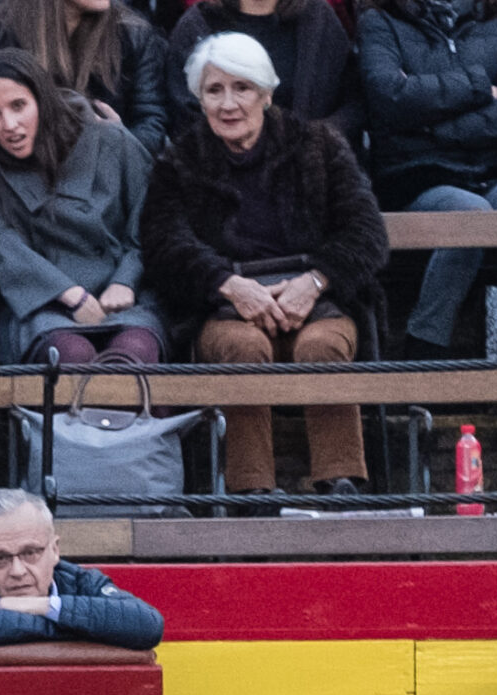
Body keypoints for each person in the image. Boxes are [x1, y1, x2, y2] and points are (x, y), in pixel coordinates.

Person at [142, 33, 387, 499]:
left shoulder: (318, 145)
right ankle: (253, 493)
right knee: (243, 348)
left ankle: (341, 486)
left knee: (321, 347)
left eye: (243, 88)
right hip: (224, 305)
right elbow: (163, 244)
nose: (228, 103)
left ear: (267, 94)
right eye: (214, 90)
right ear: (199, 99)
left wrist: (314, 282)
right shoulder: (179, 161)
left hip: (318, 298)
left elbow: (366, 232)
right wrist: (230, 285)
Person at [359, 0, 497, 357]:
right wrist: (480, 85)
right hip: (417, 173)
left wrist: (433, 127)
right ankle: (424, 343)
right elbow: (390, 97)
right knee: (469, 215)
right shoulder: (380, 21)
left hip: (496, 169)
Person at [0, 49, 165, 368]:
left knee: (133, 355)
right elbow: (2, 245)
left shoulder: (111, 139)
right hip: (43, 306)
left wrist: (126, 280)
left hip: (125, 299)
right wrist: (68, 294)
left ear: (42, 99)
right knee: (71, 357)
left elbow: (153, 219)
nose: (9, 124)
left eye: (19, 106)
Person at [0, 488, 164, 646]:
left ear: (54, 550)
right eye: (0, 558)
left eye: (30, 553)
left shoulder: (82, 582)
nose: (17, 571)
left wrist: (46, 606)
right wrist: (82, 629)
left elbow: (148, 624)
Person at [0, 0, 171, 157]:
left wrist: (120, 140)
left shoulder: (132, 34)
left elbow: (151, 123)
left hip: (105, 186)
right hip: (21, 185)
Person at [171, 0, 359, 145]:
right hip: (224, 177)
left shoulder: (318, 18)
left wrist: (312, 140)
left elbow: (353, 101)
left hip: (312, 172)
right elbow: (185, 119)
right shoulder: (197, 25)